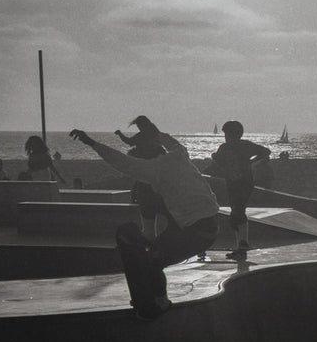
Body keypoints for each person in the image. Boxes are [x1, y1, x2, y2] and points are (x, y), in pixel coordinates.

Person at [69, 119, 220, 321]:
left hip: (195, 233)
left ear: (145, 157)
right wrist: (153, 130)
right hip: (204, 227)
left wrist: (91, 143)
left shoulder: (153, 169)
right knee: (152, 251)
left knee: (152, 262)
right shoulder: (180, 154)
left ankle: (162, 303)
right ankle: (153, 286)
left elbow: (121, 161)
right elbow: (168, 140)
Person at [208, 120, 270, 261]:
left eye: (228, 134)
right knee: (236, 213)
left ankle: (243, 244)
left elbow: (266, 152)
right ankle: (240, 247)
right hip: (232, 183)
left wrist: (252, 163)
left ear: (235, 134)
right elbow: (220, 162)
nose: (226, 137)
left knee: (238, 211)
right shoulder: (227, 147)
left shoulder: (244, 146)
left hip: (244, 183)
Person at [116, 119, 171, 243]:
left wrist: (119, 134)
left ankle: (151, 236)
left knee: (146, 200)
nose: (139, 128)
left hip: (147, 175)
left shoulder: (143, 137)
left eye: (139, 126)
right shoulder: (156, 136)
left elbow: (129, 142)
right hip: (155, 175)